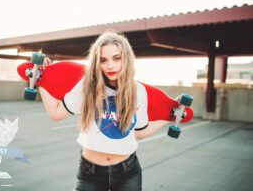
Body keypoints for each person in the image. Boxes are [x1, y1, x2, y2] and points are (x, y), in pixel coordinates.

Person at [39, 31, 171, 191]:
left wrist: (169, 116)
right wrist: (42, 78)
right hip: (90, 172)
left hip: (128, 172)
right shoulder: (87, 86)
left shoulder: (138, 91)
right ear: (97, 62)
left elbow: (139, 132)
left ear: (127, 59)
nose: (110, 65)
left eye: (116, 58)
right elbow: (56, 113)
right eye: (103, 60)